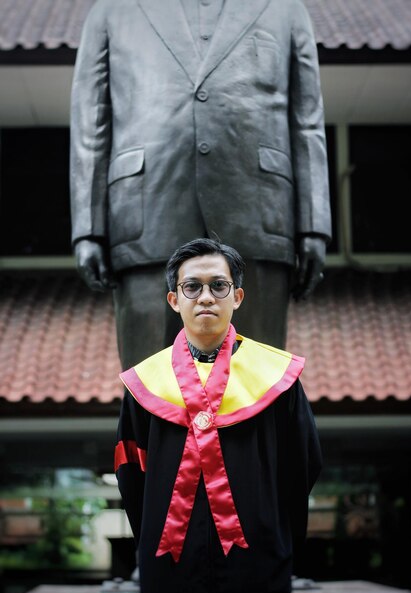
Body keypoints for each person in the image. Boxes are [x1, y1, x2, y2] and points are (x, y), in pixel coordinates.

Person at [70, 0, 332, 370]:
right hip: (147, 212)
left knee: (258, 384)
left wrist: (313, 224)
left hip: (259, 212)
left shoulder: (285, 9)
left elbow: (307, 121)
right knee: (151, 387)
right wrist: (89, 228)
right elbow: (90, 122)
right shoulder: (112, 11)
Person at [115, 238, 322, 593]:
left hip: (260, 561)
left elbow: (303, 464)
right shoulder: (144, 386)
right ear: (174, 300)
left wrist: (276, 533)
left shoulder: (277, 380)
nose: (205, 297)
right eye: (191, 286)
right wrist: (152, 539)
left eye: (218, 286)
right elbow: (132, 474)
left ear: (238, 296)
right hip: (169, 564)